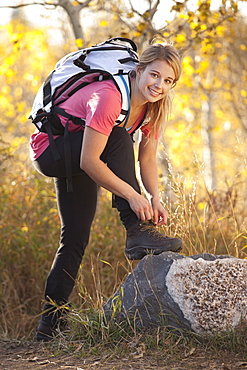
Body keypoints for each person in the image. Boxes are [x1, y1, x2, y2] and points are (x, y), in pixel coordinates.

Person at [30, 40, 183, 341]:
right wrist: (132, 195)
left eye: (168, 81)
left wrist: (155, 197)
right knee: (118, 138)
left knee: (75, 237)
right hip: (52, 151)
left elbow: (148, 157)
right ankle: (136, 229)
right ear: (139, 70)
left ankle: (49, 326)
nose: (159, 85)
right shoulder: (110, 96)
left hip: (84, 151)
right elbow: (90, 160)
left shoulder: (155, 107)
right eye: (154, 75)